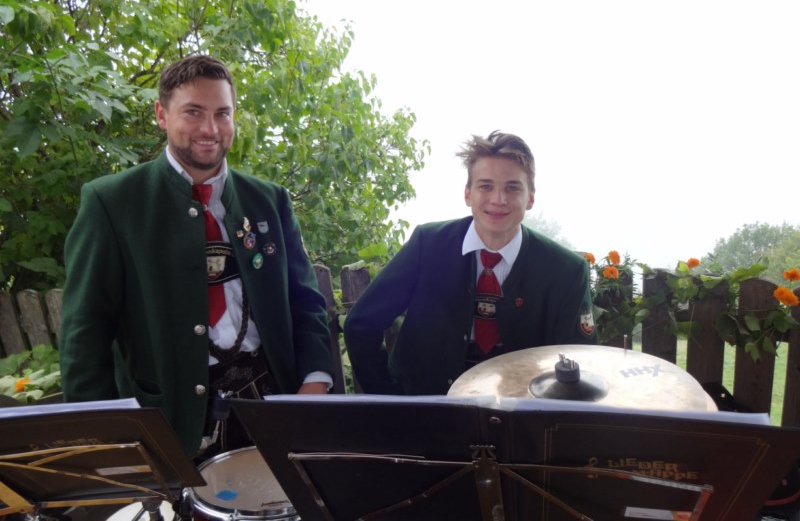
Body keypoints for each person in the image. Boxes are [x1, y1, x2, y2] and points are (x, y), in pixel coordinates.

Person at [60, 54, 333, 458]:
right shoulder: (112, 203)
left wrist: (315, 381)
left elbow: (305, 301)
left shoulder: (269, 200)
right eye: (193, 112)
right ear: (161, 114)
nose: (210, 129)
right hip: (171, 418)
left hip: (274, 400)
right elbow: (85, 333)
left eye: (222, 113)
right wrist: (105, 442)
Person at [344, 130, 596, 395]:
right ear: (467, 194)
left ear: (530, 198)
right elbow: (361, 324)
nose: (498, 199)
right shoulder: (426, 245)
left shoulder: (567, 271)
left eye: (512, 188)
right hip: (425, 409)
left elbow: (577, 360)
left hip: (523, 410)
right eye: (485, 186)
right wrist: (389, 399)